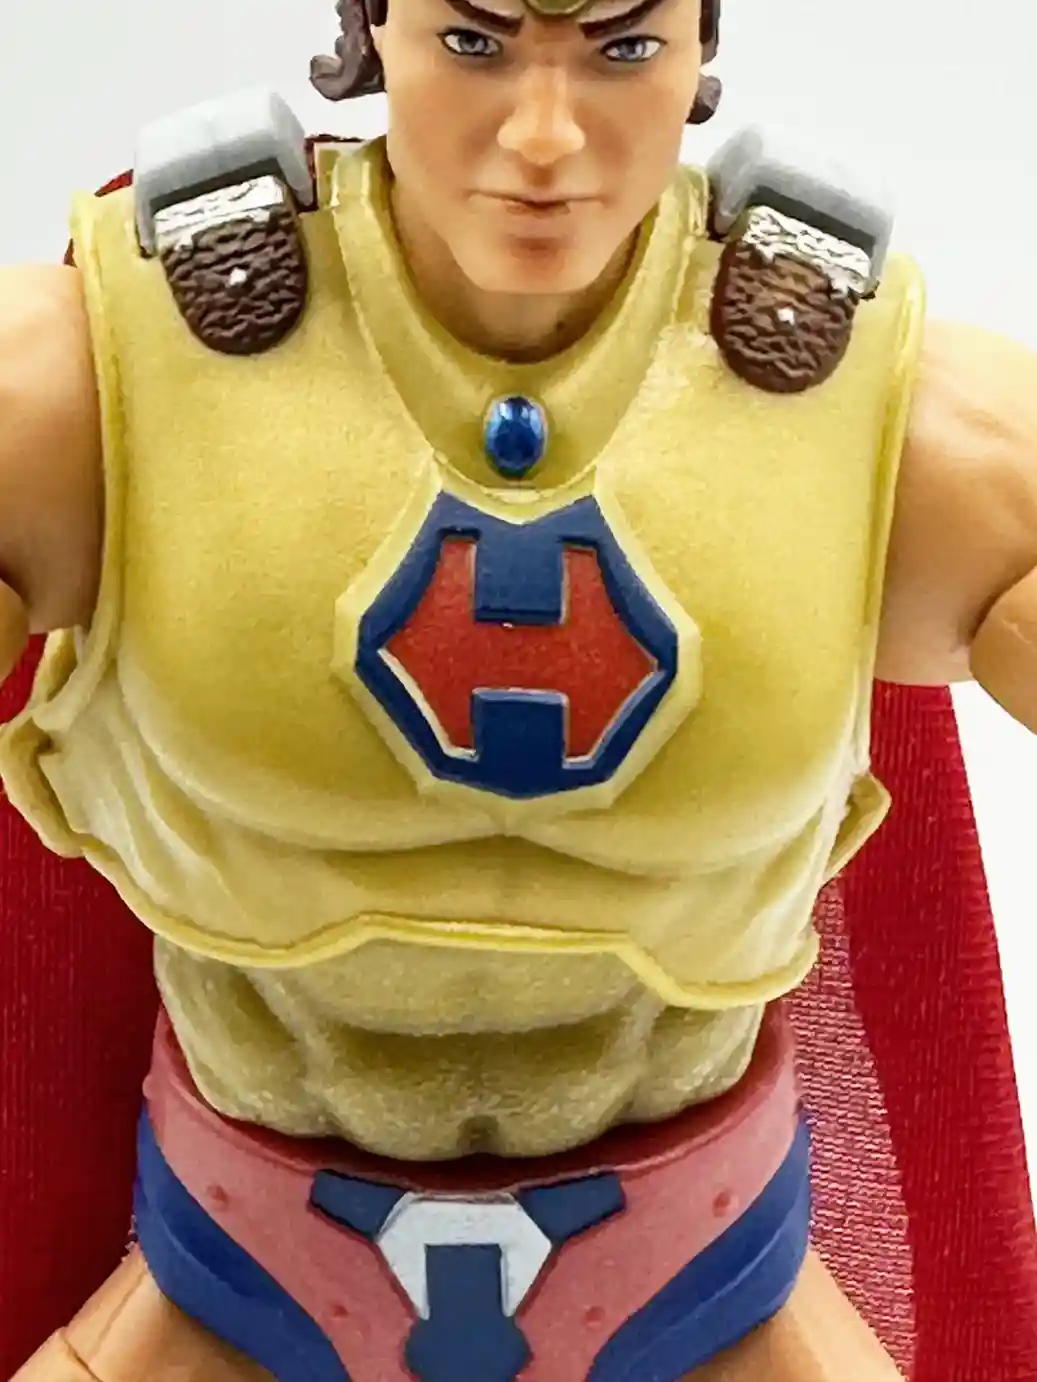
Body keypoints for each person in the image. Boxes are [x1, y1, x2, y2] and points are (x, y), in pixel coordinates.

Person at [2, 0, 1036, 1377]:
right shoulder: (97, 375)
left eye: (623, 49)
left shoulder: (895, 411)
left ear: (700, 48)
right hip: (226, 1295)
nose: (545, 138)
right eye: (476, 44)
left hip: (714, 1296)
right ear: (374, 30)